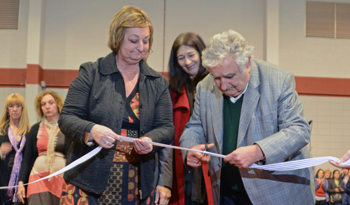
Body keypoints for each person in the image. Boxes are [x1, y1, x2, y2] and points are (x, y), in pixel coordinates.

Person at [179, 29, 314, 205]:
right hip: (227, 193)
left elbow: (299, 130)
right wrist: (190, 148)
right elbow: (194, 127)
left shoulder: (278, 80)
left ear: (247, 63)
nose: (223, 85)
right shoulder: (205, 87)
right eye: (216, 77)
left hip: (277, 194)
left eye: (229, 76)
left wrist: (258, 151)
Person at [58, 5, 174, 205]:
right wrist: (92, 130)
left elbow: (167, 127)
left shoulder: (158, 83)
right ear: (117, 38)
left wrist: (151, 139)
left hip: (136, 183)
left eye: (146, 41)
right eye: (133, 40)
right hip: (88, 180)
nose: (141, 47)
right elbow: (67, 118)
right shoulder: (91, 73)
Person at [157, 32, 209, 205]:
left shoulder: (217, 86)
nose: (187, 62)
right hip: (181, 166)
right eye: (181, 57)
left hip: (210, 165)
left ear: (201, 53)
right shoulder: (171, 91)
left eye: (191, 55)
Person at [15, 90, 66, 205]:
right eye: (43, 104)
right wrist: (21, 182)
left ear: (57, 104)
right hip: (37, 178)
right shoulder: (35, 129)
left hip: (60, 178)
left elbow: (73, 155)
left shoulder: (67, 128)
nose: (47, 107)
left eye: (50, 103)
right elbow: (27, 159)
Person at [0, 93, 30, 205]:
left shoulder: (29, 132)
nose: (15, 109)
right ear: (7, 109)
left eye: (18, 106)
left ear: (23, 109)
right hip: (3, 183)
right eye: (11, 106)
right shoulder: (1, 130)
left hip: (22, 184)